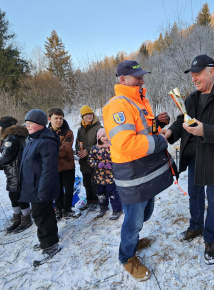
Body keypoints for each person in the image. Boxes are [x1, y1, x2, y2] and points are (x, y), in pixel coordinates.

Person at [160, 54, 214, 265]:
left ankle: (211, 239)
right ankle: (195, 226)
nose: (194, 79)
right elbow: (182, 121)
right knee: (194, 196)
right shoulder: (191, 98)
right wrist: (170, 133)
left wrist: (205, 130)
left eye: (198, 74)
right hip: (194, 156)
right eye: (192, 75)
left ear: (211, 71)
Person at [103, 60, 173, 281]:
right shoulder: (118, 105)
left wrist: (158, 125)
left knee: (145, 213)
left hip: (145, 169)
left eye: (143, 75)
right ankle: (127, 256)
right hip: (131, 173)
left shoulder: (140, 101)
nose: (142, 79)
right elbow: (125, 144)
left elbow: (144, 132)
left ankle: (132, 240)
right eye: (137, 77)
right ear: (122, 79)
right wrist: (160, 141)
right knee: (133, 220)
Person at [19, 109, 61, 267]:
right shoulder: (33, 139)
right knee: (44, 214)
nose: (27, 125)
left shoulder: (46, 141)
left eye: (30, 123)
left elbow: (48, 170)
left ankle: (50, 245)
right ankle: (49, 239)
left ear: (40, 124)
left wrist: (43, 192)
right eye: (27, 123)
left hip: (41, 188)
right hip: (34, 186)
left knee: (41, 215)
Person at [0, 116, 32, 233]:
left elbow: (7, 155)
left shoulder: (11, 138)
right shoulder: (21, 136)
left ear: (5, 127)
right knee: (14, 195)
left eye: (0, 126)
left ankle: (25, 220)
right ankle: (17, 219)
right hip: (16, 170)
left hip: (15, 171)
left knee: (18, 196)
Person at [48, 108, 79, 220]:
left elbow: (65, 148)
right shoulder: (46, 132)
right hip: (54, 168)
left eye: (61, 118)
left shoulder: (68, 132)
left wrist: (50, 153)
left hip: (67, 166)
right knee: (57, 190)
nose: (59, 121)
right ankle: (59, 210)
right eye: (56, 118)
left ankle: (67, 210)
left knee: (69, 189)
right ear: (49, 118)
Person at [87, 128, 122, 219]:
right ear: (99, 137)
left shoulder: (113, 147)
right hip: (99, 176)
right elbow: (90, 160)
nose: (106, 138)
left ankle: (116, 209)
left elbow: (119, 159)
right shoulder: (95, 149)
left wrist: (112, 165)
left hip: (111, 176)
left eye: (107, 135)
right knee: (101, 192)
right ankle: (103, 207)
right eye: (103, 136)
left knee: (113, 192)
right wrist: (98, 164)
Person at [75, 105, 103, 211]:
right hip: (84, 161)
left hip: (95, 159)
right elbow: (77, 142)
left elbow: (101, 143)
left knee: (95, 182)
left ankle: (100, 202)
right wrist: (78, 150)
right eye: (86, 114)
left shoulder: (99, 128)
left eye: (90, 114)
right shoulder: (80, 129)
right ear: (82, 117)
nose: (89, 116)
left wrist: (87, 150)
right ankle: (90, 200)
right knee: (86, 182)